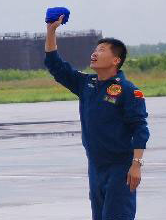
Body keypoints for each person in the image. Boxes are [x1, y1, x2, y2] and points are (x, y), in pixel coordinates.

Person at [45, 14, 149, 220]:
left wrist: (136, 164)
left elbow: (140, 128)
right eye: (95, 49)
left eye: (101, 50)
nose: (95, 53)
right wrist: (51, 31)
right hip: (95, 166)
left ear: (116, 60)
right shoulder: (86, 84)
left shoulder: (128, 90)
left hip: (120, 168)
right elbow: (55, 65)